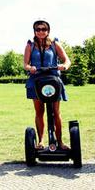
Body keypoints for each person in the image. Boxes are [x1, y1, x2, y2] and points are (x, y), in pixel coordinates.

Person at [23, 19, 71, 149]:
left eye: (43, 29)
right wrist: (30, 68)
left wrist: (64, 66)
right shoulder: (30, 45)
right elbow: (25, 64)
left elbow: (67, 60)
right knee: (39, 112)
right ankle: (41, 141)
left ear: (48, 31)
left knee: (56, 112)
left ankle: (60, 142)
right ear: (35, 31)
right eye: (38, 29)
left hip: (53, 80)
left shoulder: (55, 44)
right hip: (36, 81)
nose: (41, 32)